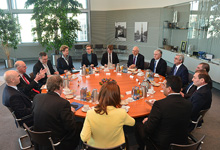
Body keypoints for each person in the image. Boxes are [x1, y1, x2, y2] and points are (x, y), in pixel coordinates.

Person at [135, 76, 192, 150]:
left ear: (169, 89)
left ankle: (142, 148)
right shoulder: (188, 104)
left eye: (164, 85)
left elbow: (148, 129)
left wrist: (147, 121)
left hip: (163, 144)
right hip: (182, 140)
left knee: (138, 125)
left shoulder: (159, 105)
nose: (162, 87)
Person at [32, 75, 82, 150]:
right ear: (60, 86)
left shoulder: (37, 97)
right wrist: (72, 112)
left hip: (38, 136)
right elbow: (70, 127)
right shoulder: (63, 103)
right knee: (80, 124)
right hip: (57, 140)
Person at [80, 81, 135, 148]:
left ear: (100, 95)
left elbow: (84, 138)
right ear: (117, 97)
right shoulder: (121, 113)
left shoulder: (90, 113)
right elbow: (133, 122)